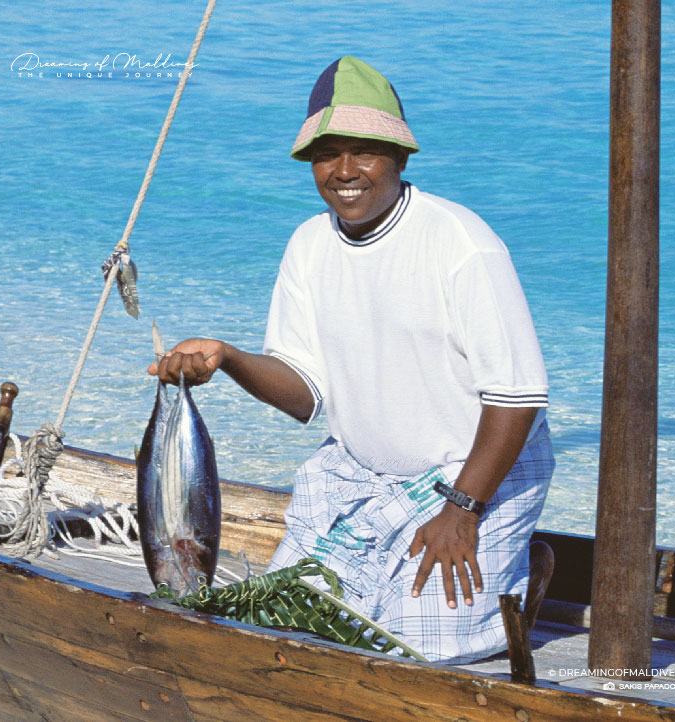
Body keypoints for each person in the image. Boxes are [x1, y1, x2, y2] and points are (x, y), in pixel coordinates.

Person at [149, 56, 555, 664]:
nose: (344, 171)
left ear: (400, 157)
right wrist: (228, 358)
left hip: (474, 473)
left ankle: (521, 576)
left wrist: (463, 511)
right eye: (326, 153)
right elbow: (305, 393)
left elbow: (517, 396)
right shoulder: (309, 244)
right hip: (360, 477)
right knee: (295, 619)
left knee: (422, 651)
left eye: (364, 151)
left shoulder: (462, 244)